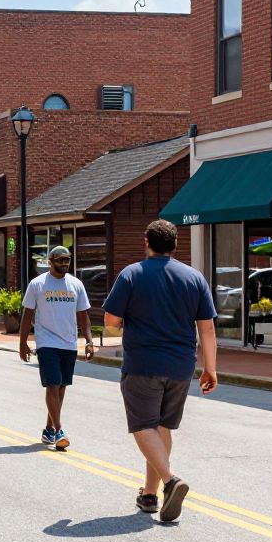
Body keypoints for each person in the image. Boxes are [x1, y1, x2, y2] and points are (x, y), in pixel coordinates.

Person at [103, 219, 217, 523]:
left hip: (143, 364)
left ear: (146, 241)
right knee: (161, 427)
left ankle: (170, 481)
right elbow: (207, 328)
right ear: (175, 244)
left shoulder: (132, 274)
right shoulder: (194, 278)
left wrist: (127, 320)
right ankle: (150, 495)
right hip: (182, 366)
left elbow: (111, 321)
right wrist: (211, 369)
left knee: (143, 426)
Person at [19, 245, 95, 451]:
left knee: (61, 387)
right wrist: (23, 342)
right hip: (46, 342)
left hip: (69, 343)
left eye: (67, 260)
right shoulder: (38, 284)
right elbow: (27, 314)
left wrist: (88, 341)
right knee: (52, 384)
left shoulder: (76, 285)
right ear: (50, 261)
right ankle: (60, 430)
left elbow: (83, 315)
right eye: (60, 260)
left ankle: (48, 428)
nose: (65, 263)